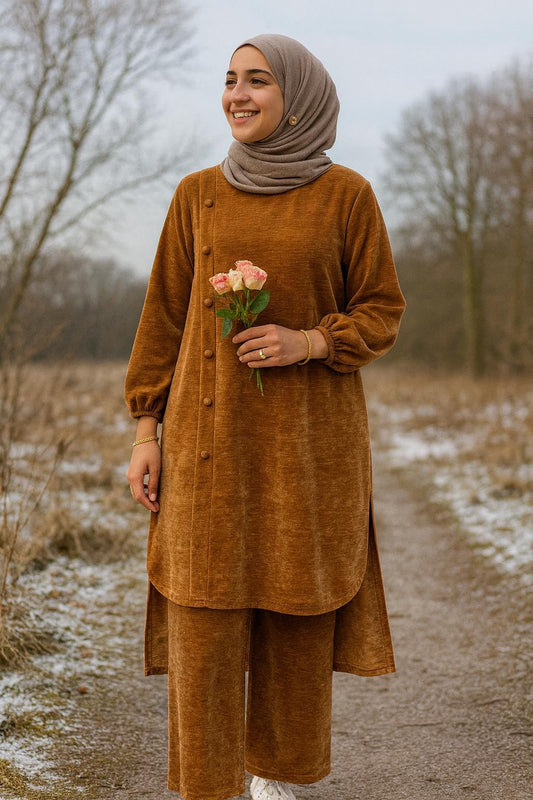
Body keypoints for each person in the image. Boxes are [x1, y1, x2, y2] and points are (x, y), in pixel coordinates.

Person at [125, 33, 405, 800]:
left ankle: (279, 781)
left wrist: (309, 339)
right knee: (205, 608)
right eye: (229, 81)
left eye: (257, 82)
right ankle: (210, 787)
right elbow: (162, 319)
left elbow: (381, 310)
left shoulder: (346, 195)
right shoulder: (195, 194)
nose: (237, 95)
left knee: (294, 604)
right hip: (205, 444)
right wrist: (145, 432)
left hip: (308, 449)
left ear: (298, 98)